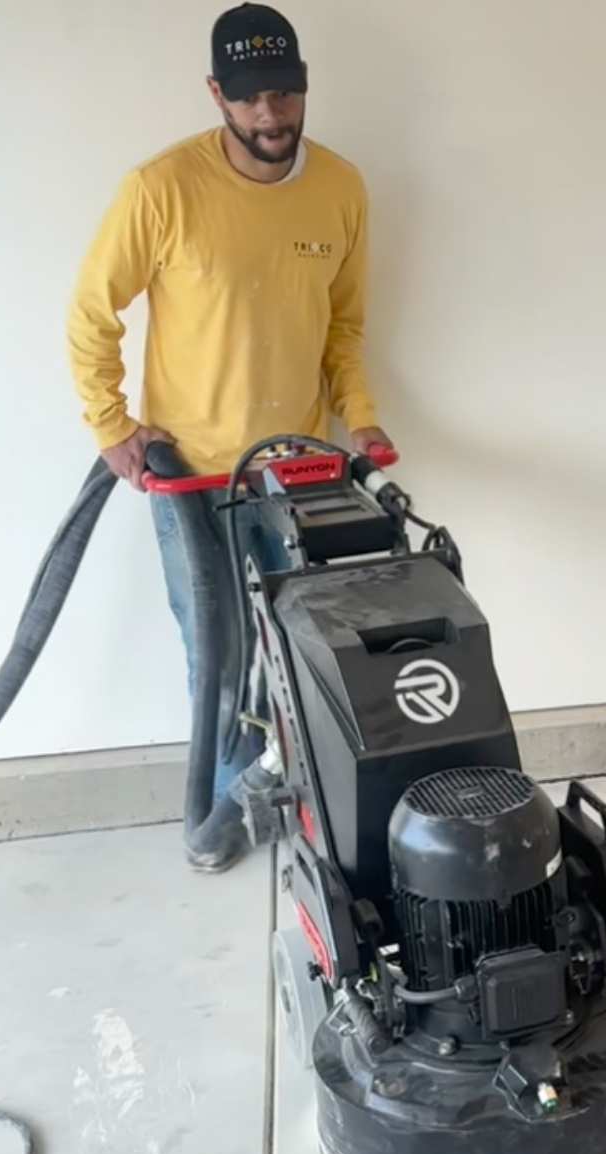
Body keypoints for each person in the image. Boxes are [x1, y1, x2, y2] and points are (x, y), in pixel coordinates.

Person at [67, 3, 392, 872]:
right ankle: (218, 815)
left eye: (285, 94)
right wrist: (112, 427)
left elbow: (344, 331)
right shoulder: (161, 189)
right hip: (192, 476)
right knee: (216, 651)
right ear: (218, 94)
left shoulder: (341, 188)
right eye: (250, 99)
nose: (270, 116)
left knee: (298, 645)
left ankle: (282, 796)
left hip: (298, 469)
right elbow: (91, 314)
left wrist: (359, 415)